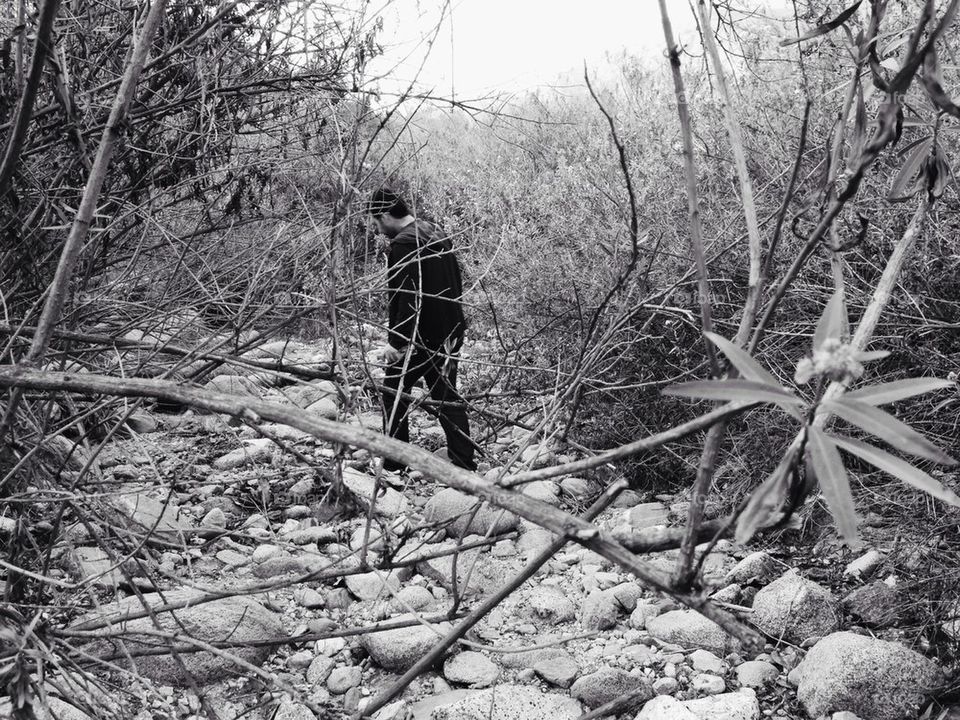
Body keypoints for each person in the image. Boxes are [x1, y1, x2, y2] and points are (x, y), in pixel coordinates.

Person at [367, 188, 477, 472]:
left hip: (422, 336)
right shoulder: (434, 231)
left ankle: (394, 463)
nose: (379, 229)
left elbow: (407, 298)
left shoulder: (404, 244)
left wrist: (397, 342)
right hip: (451, 329)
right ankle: (464, 462)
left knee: (394, 392)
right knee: (446, 395)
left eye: (377, 222)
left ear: (388, 214)